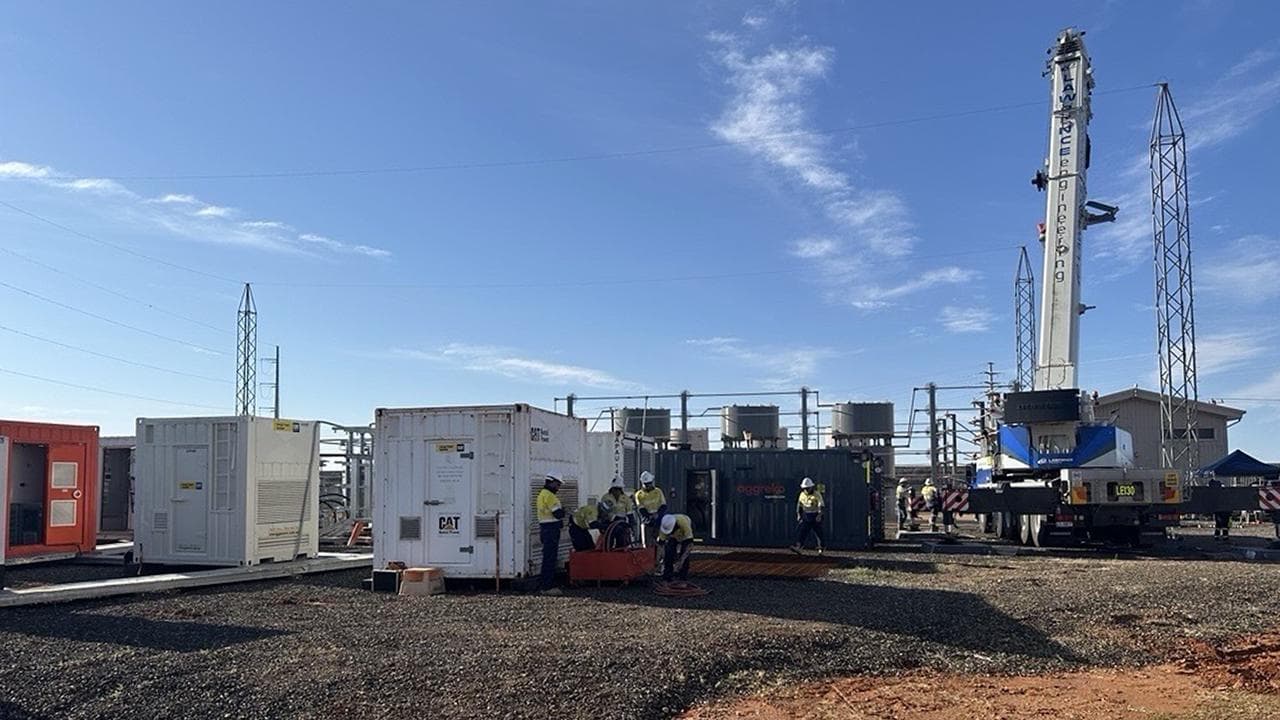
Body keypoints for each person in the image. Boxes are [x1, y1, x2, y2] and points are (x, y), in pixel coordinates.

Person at [535, 474, 566, 595]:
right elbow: (558, 514)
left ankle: (546, 583)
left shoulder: (542, 494)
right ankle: (546, 586)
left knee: (548, 556)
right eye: (557, 484)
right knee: (550, 558)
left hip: (545, 528)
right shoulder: (550, 496)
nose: (558, 487)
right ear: (551, 482)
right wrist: (564, 511)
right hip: (551, 529)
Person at [791, 477, 825, 555]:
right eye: (805, 488)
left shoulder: (817, 494)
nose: (806, 490)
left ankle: (821, 549)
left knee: (819, 533)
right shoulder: (802, 494)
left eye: (807, 488)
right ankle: (799, 547)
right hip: (806, 515)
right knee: (803, 531)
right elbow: (799, 505)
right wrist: (799, 515)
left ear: (811, 487)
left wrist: (819, 515)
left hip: (816, 515)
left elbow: (821, 505)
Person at [597, 477, 634, 548]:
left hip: (622, 523)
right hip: (608, 522)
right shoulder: (606, 497)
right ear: (612, 489)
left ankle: (620, 552)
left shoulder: (626, 498)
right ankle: (608, 553)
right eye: (615, 489)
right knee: (608, 540)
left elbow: (629, 513)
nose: (616, 491)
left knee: (622, 539)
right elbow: (603, 512)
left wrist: (631, 523)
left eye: (618, 489)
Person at [657, 513, 695, 583]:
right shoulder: (664, 526)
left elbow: (689, 545)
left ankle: (682, 577)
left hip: (685, 536)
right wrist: (658, 561)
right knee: (669, 551)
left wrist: (681, 561)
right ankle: (667, 576)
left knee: (684, 553)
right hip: (674, 537)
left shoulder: (684, 523)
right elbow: (660, 545)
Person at [634, 471, 667, 546]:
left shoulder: (658, 491)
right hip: (647, 521)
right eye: (646, 484)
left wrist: (658, 514)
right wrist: (649, 516)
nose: (648, 486)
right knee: (646, 543)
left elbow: (664, 505)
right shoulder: (639, 494)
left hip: (659, 520)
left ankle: (660, 556)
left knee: (660, 542)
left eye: (649, 483)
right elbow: (641, 509)